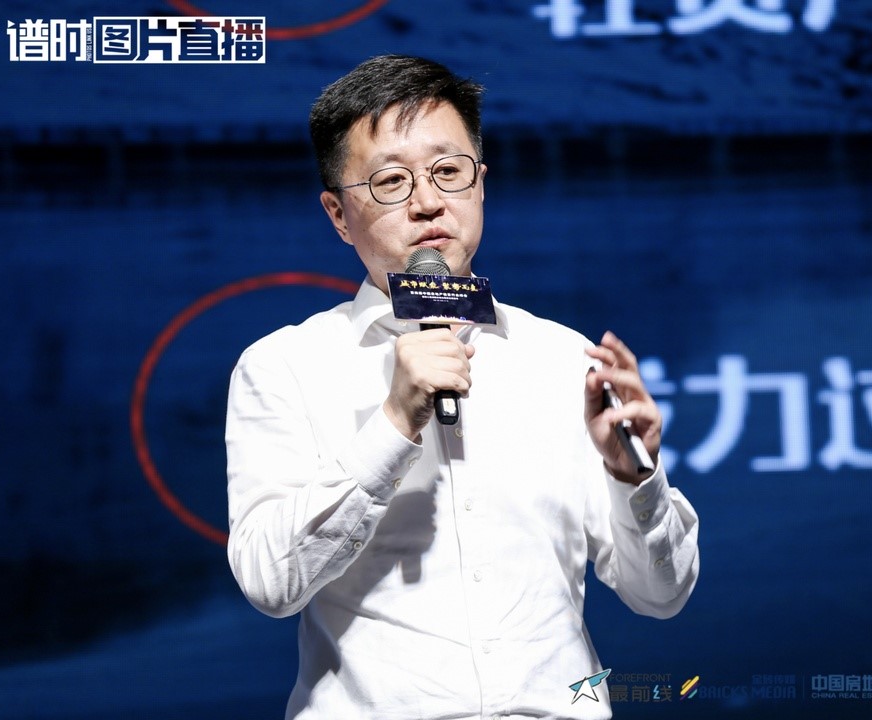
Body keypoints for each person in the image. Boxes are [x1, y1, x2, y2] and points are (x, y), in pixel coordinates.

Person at [225, 54, 699, 720]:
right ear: (338, 214)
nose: (427, 202)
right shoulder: (285, 367)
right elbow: (269, 583)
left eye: (449, 171)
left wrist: (634, 476)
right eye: (391, 181)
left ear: (481, 184)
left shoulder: (562, 358)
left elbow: (662, 594)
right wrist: (395, 422)